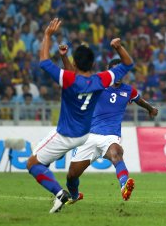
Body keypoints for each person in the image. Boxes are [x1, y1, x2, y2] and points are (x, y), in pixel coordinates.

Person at [26, 18, 134, 213]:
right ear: (93, 64)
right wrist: (118, 47)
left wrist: (47, 35)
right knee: (69, 173)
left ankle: (60, 194)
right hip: (84, 135)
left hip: (65, 134)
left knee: (33, 163)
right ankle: (73, 193)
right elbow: (128, 63)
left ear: (75, 62)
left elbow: (43, 62)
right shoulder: (101, 79)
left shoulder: (67, 79)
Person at [59, 47, 158, 203]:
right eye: (115, 71)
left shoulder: (128, 90)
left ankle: (124, 185)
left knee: (117, 153)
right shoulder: (98, 84)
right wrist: (65, 57)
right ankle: (75, 194)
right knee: (72, 175)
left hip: (111, 136)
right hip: (89, 135)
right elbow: (75, 76)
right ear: (109, 71)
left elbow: (140, 100)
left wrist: (151, 109)